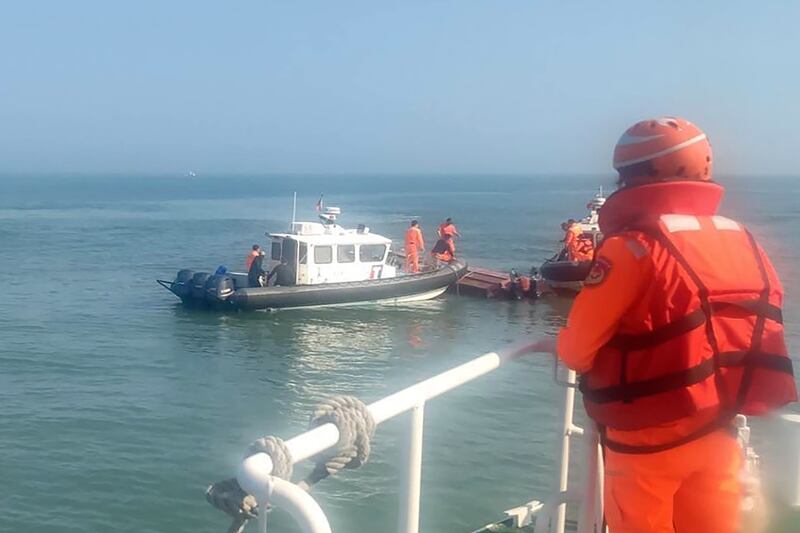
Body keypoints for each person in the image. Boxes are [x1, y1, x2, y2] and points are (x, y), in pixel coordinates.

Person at [551, 117, 796, 533]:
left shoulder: (631, 248)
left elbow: (576, 350)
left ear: (632, 177)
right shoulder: (741, 238)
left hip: (646, 445)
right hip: (719, 431)